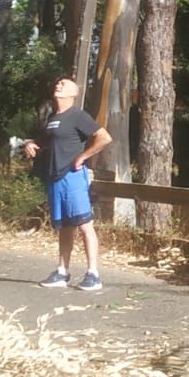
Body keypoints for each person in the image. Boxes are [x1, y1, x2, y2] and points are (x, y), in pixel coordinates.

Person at [23, 76, 112, 292]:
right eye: (58, 83)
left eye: (64, 84)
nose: (59, 85)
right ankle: (62, 272)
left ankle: (93, 274)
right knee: (64, 226)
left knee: (84, 225)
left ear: (74, 93)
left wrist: (83, 157)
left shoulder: (78, 116)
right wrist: (30, 144)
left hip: (72, 176)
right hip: (54, 177)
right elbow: (41, 142)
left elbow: (104, 138)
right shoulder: (53, 119)